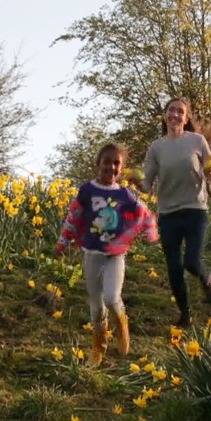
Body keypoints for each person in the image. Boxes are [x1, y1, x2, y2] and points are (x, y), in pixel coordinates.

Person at [55, 143, 159, 365]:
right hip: (92, 254)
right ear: (98, 164)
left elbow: (145, 213)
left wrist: (149, 232)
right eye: (107, 161)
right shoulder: (87, 190)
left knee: (112, 298)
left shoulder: (125, 194)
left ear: (122, 169)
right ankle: (98, 346)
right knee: (96, 304)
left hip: (115, 256)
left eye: (116, 163)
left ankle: (122, 323)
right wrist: (62, 243)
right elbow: (73, 217)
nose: (111, 167)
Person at [141, 97, 211, 327]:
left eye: (180, 111)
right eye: (171, 110)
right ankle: (185, 314)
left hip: (195, 209)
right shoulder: (157, 147)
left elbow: (210, 169)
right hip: (168, 214)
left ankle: (209, 282)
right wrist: (135, 182)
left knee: (192, 261)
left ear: (186, 118)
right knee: (174, 267)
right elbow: (147, 184)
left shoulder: (197, 141)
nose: (174, 115)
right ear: (165, 115)